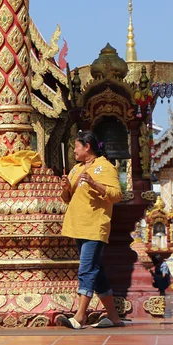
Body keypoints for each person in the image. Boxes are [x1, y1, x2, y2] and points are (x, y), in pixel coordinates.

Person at [58, 130, 124, 329]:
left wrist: (94, 183)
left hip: (95, 226)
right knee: (98, 272)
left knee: (86, 270)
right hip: (78, 225)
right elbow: (67, 199)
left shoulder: (105, 167)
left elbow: (116, 195)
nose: (74, 151)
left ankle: (79, 316)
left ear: (87, 147)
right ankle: (114, 317)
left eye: (76, 147)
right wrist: (65, 188)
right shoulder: (75, 169)